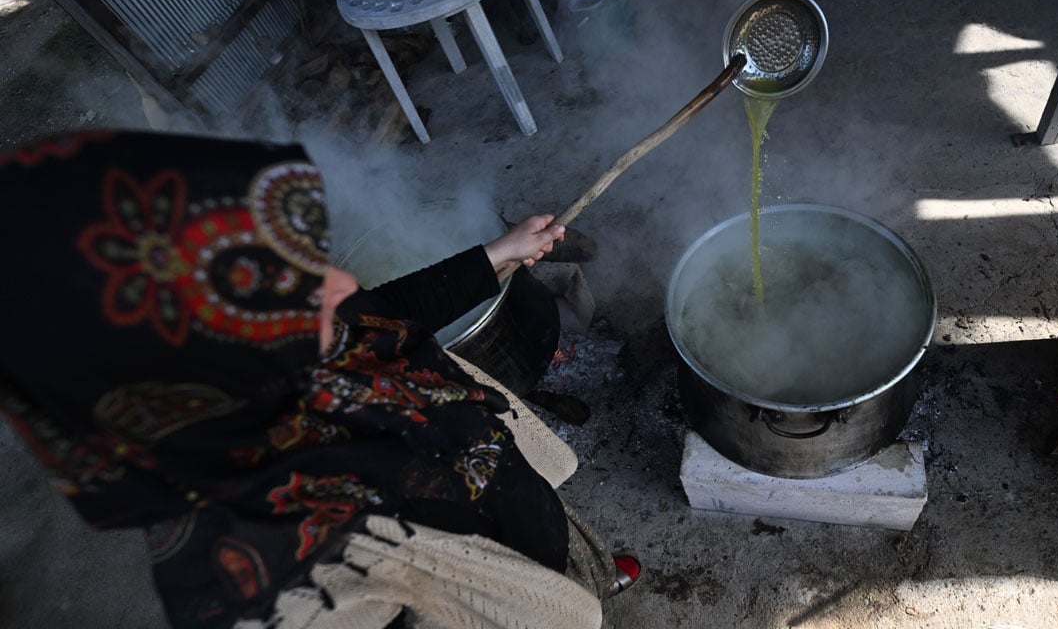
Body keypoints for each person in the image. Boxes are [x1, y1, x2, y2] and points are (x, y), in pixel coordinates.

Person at [0, 130, 639, 629]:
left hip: (507, 490)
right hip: (494, 587)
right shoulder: (270, 572)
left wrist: (497, 254)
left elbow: (387, 309)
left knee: (556, 541)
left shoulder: (294, 342)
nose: (337, 284)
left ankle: (586, 571)